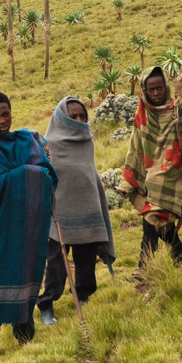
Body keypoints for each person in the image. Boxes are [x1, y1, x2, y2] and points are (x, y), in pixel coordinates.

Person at [0, 92, 57, 362]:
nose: (1, 121)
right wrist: (31, 173)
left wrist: (38, 167)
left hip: (28, 224)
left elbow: (47, 171)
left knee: (26, 273)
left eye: (5, 114)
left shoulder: (23, 140)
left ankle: (25, 338)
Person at [116, 66, 182, 269]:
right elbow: (136, 148)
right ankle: (178, 257)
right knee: (158, 221)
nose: (155, 94)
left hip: (174, 176)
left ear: (166, 87)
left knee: (151, 220)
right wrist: (129, 179)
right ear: (144, 90)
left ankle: (145, 268)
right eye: (151, 89)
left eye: (159, 88)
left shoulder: (180, 110)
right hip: (150, 176)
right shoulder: (142, 114)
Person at [37, 97, 116, 325]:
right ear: (61, 118)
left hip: (87, 209)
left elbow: (89, 173)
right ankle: (46, 304)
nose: (79, 120)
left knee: (86, 261)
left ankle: (83, 298)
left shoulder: (86, 140)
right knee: (57, 264)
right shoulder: (49, 144)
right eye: (73, 117)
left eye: (82, 116)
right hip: (59, 214)